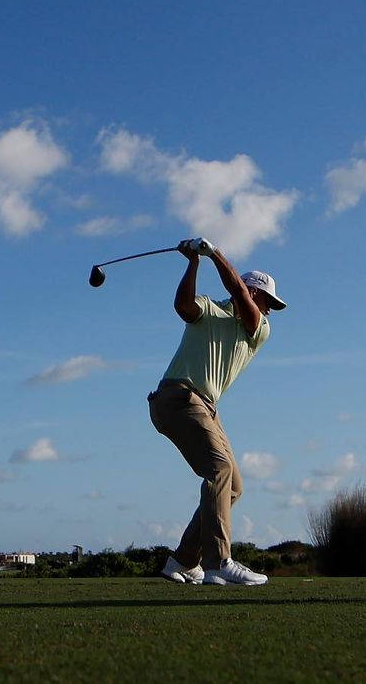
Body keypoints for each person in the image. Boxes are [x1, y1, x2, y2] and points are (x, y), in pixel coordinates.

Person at [147, 237, 287, 587]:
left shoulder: (258, 328)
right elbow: (183, 306)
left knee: (233, 486)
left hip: (205, 406)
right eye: (268, 301)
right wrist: (193, 262)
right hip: (177, 397)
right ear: (257, 293)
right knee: (219, 468)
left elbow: (241, 295)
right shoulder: (211, 309)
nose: (269, 309)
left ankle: (182, 561)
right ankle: (218, 561)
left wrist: (216, 255)